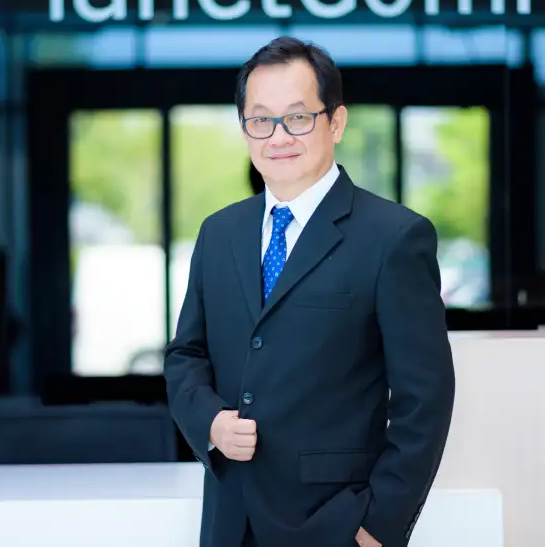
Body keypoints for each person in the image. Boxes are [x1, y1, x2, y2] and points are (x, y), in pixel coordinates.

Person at [164, 36, 455, 547]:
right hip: (230, 521)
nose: (278, 136)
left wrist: (378, 527)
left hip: (335, 522)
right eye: (260, 120)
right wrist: (209, 423)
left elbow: (425, 398)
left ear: (336, 122)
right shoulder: (219, 233)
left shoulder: (393, 237)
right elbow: (186, 355)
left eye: (297, 118)